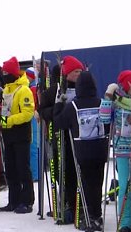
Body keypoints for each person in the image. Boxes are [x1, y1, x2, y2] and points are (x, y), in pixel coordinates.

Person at [53, 71, 108, 231]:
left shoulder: (73, 106)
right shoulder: (101, 103)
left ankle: (88, 215)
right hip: (100, 149)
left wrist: (58, 105)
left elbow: (58, 123)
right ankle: (96, 215)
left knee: (85, 183)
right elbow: (109, 123)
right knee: (97, 182)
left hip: (83, 150)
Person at [38, 56, 83, 223]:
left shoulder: (82, 88)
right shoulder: (54, 90)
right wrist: (59, 111)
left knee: (76, 171)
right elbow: (43, 111)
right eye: (75, 71)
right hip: (60, 135)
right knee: (61, 171)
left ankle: (76, 204)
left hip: (79, 136)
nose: (79, 74)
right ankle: (66, 204)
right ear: (67, 73)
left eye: (80, 71)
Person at [101, 70, 131, 232]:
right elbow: (104, 119)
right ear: (128, 84)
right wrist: (108, 96)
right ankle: (125, 223)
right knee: (126, 187)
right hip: (123, 149)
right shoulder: (117, 101)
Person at [0, 56, 35, 214]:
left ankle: (27, 201)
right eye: (3, 73)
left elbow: (28, 113)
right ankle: (13, 200)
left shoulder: (24, 89)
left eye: (7, 72)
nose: (5, 75)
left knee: (22, 168)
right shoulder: (6, 89)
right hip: (8, 134)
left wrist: (8, 120)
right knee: (10, 168)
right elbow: (5, 111)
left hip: (21, 134)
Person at [26, 67, 39, 181]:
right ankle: (35, 172)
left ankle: (35, 174)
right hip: (34, 116)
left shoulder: (33, 87)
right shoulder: (33, 86)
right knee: (34, 145)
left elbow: (33, 104)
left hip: (33, 117)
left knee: (33, 145)